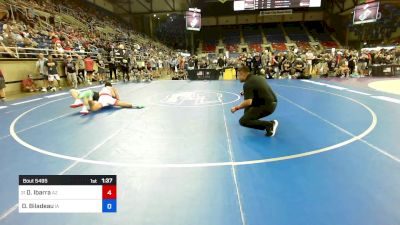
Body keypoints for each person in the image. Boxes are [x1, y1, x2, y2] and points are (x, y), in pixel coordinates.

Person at [231, 65, 278, 137]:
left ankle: (270, 125)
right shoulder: (257, 77)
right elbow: (258, 88)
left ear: (242, 74)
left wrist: (236, 108)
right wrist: (245, 92)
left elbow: (248, 102)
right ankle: (253, 120)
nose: (237, 78)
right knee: (247, 113)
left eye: (238, 75)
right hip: (271, 102)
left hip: (267, 106)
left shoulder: (247, 84)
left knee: (243, 121)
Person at [70, 82, 144, 115]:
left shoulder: (102, 89)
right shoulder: (111, 87)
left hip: (102, 97)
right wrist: (116, 98)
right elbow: (116, 97)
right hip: (108, 97)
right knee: (122, 104)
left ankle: (90, 100)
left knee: (94, 108)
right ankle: (134, 105)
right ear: (110, 85)